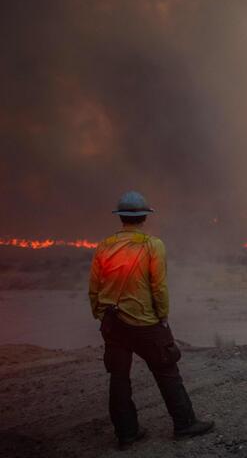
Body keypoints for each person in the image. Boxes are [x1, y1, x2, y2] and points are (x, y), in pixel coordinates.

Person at [88, 191, 214, 449]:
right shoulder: (152, 245)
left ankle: (126, 433)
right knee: (167, 370)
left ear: (121, 217)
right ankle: (184, 424)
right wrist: (163, 316)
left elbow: (94, 287)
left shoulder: (104, 245)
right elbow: (159, 287)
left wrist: (100, 314)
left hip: (112, 322)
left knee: (119, 378)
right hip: (145, 322)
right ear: (144, 216)